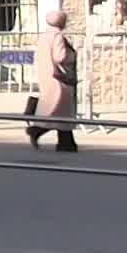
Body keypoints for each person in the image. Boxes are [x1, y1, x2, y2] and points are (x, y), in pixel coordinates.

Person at [29, 10, 80, 152]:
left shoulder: (44, 36)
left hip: (48, 77)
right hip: (60, 79)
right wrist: (72, 56)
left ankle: (66, 142)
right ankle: (37, 131)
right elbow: (60, 57)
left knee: (57, 111)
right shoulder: (57, 36)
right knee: (61, 112)